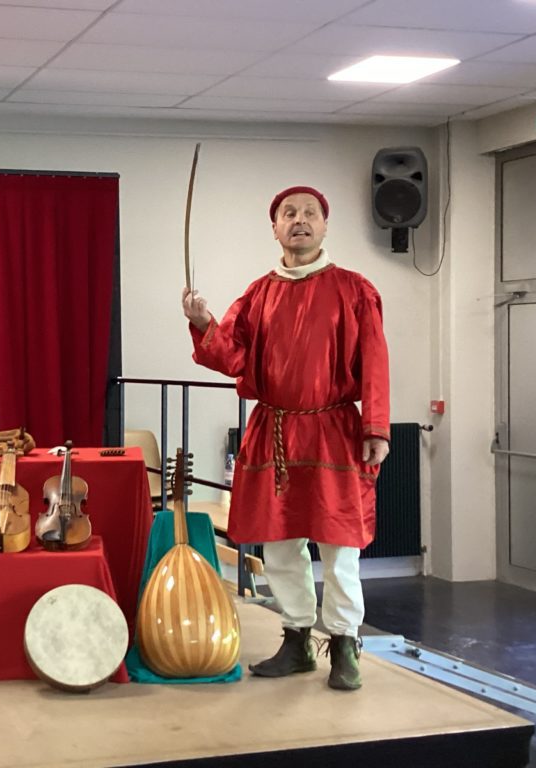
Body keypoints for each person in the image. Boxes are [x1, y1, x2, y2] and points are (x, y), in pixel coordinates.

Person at [182, 186, 390, 691]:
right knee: (278, 543)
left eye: (310, 213)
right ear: (274, 228)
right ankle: (297, 639)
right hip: (273, 428)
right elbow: (230, 354)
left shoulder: (355, 289)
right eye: (289, 214)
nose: (300, 221)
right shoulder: (258, 294)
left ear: (324, 225)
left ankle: (343, 644)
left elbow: (376, 362)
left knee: (339, 546)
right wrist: (202, 321)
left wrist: (376, 427)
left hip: (333, 430)